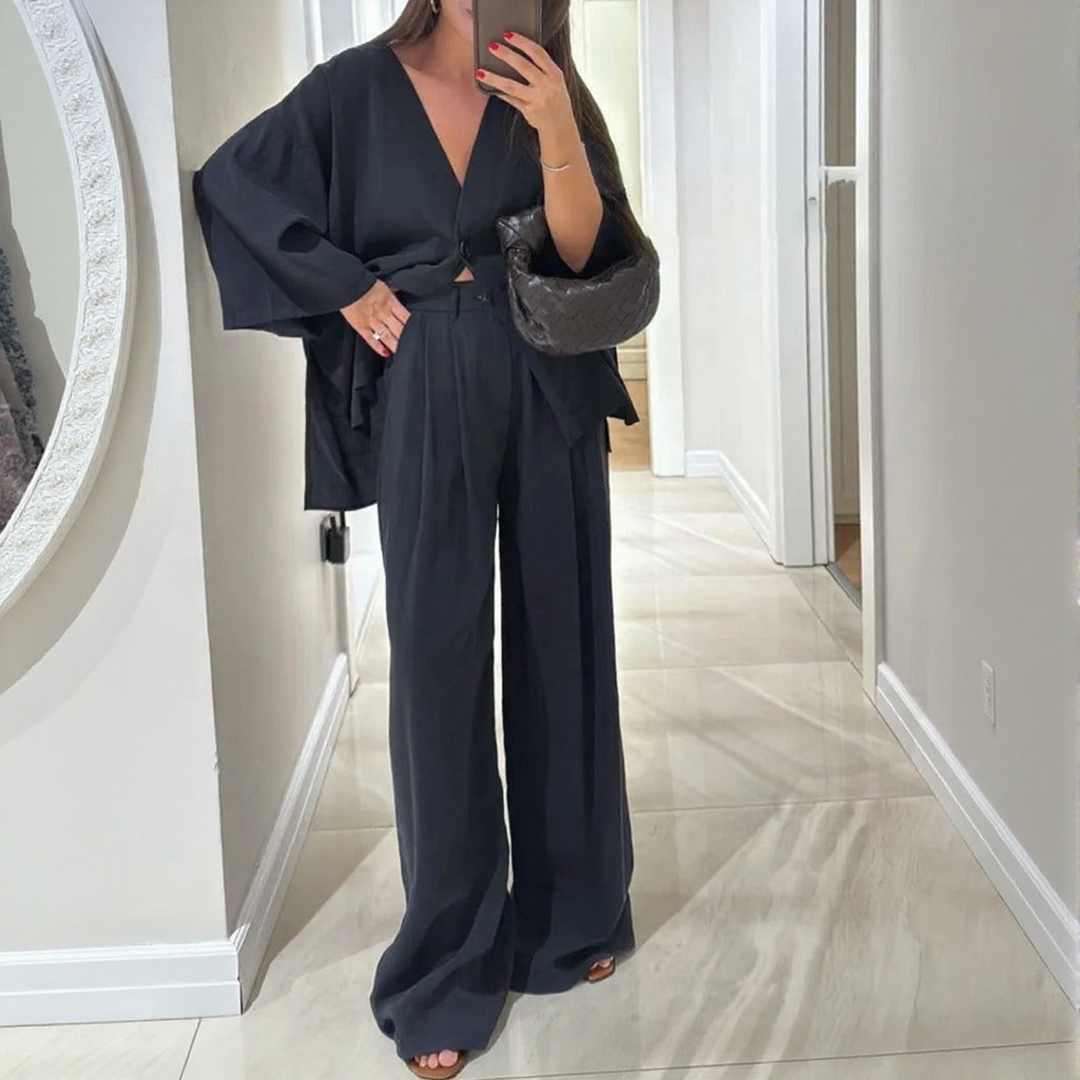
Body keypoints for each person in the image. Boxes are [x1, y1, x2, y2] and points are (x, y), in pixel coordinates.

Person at [193, 0, 647, 1075]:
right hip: (424, 369)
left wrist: (557, 129)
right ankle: (447, 961)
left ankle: (574, 908)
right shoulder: (353, 88)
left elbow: (585, 254)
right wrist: (346, 287)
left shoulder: (551, 84)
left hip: (546, 367)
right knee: (438, 662)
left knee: (563, 635)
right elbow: (232, 184)